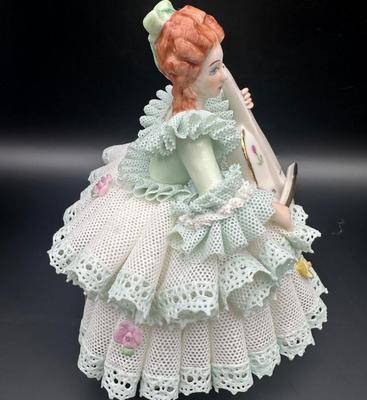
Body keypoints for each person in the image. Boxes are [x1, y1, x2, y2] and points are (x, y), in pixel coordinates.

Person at [48, 2, 328, 399]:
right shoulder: (191, 132)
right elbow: (217, 195)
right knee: (188, 285)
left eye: (221, 65)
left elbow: (211, 112)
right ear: (187, 76)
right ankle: (180, 361)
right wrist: (272, 211)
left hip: (176, 185)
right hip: (170, 209)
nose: (223, 75)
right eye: (214, 70)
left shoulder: (185, 98)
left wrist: (231, 100)